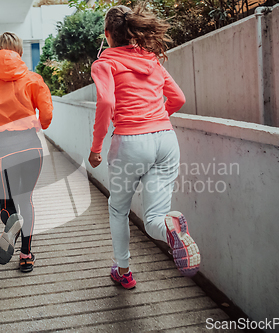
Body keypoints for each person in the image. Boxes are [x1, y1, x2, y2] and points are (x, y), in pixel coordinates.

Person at [88, 3, 200, 289]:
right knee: (154, 219)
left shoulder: (104, 63)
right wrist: (156, 120)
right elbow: (178, 99)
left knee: (118, 210)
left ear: (108, 34)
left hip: (130, 142)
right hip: (166, 139)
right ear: (133, 31)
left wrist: (96, 146)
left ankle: (123, 271)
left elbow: (106, 103)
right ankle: (171, 229)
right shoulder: (152, 59)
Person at [0, 32, 53, 273]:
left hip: (3, 147)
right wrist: (39, 124)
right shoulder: (33, 79)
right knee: (26, 200)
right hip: (30, 144)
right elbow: (47, 114)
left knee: (7, 204)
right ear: (19, 51)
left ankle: (12, 223)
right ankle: (26, 255)